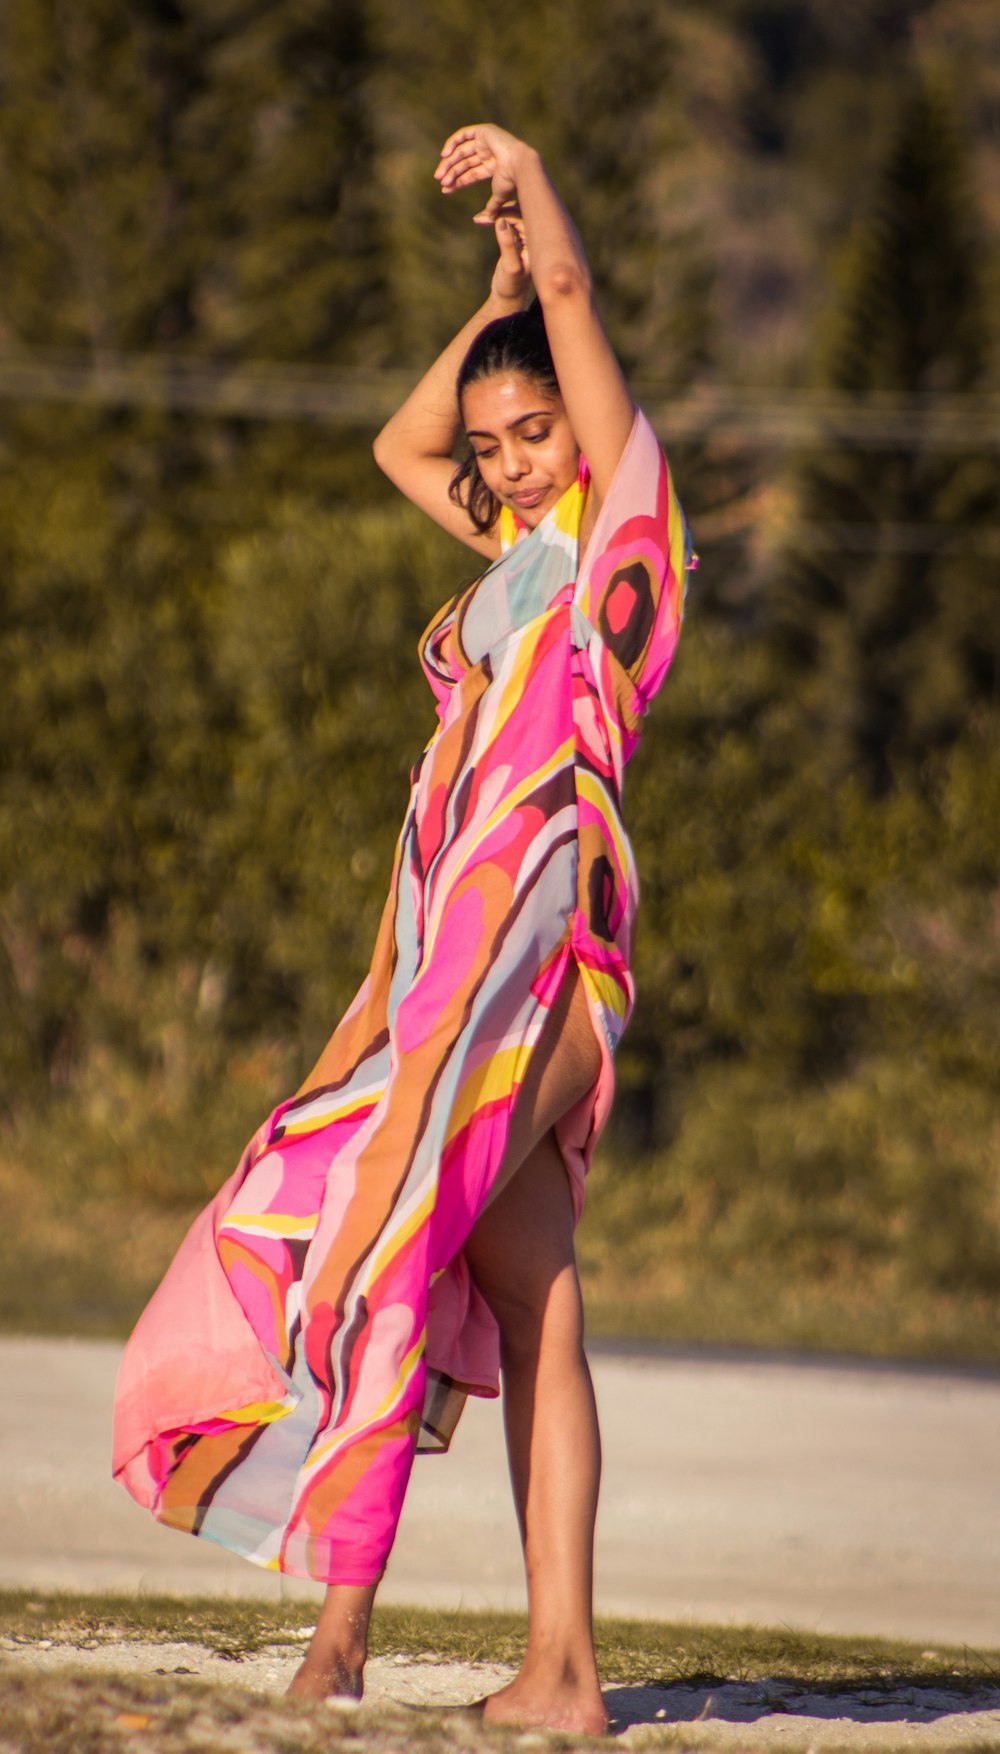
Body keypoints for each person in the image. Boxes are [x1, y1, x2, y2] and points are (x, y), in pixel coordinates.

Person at [112, 123, 693, 1737]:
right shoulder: (518, 553)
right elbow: (393, 443)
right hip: (457, 969)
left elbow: (576, 288)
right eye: (499, 438)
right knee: (532, 1304)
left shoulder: (629, 542)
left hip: (542, 964)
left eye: (537, 427)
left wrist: (533, 187)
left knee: (377, 1229)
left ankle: (342, 1631)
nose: (508, 457)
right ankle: (559, 1669)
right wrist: (490, 292)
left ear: (592, 423)